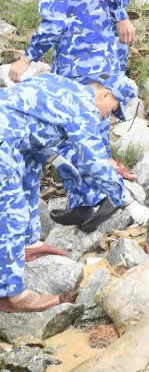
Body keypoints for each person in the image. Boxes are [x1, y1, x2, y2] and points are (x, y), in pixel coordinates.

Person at [9, 0, 137, 186]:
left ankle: (88, 198)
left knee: (72, 135)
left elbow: (54, 24)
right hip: (106, 59)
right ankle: (103, 192)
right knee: (96, 131)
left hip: (76, 64)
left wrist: (26, 59)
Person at [0, 71, 129, 312]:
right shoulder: (84, 107)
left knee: (29, 179)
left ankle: (26, 245)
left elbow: (31, 126)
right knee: (10, 213)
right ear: (105, 94)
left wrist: (58, 161)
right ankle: (10, 293)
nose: (107, 117)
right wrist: (126, 200)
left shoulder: (58, 84)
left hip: (14, 141)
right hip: (3, 141)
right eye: (112, 109)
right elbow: (94, 163)